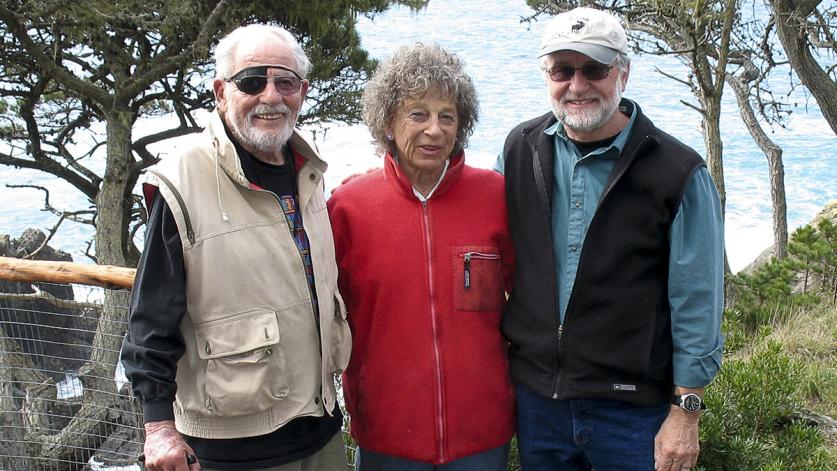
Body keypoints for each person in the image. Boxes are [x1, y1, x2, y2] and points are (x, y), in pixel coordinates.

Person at [495, 7, 724, 471]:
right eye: (563, 69)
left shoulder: (678, 171)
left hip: (633, 412)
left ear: (623, 71)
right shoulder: (519, 148)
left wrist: (687, 413)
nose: (577, 85)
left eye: (594, 69)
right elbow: (488, 244)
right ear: (547, 74)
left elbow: (697, 301)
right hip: (540, 405)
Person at [121, 24, 351, 471]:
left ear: (302, 91)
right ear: (220, 92)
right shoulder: (182, 182)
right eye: (252, 81)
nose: (271, 96)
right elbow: (150, 319)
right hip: (232, 450)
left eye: (285, 82)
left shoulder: (309, 173)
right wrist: (158, 428)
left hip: (319, 430)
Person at [327, 43, 515, 470]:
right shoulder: (348, 207)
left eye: (447, 116)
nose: (434, 130)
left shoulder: (496, 197)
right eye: (418, 114)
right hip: (387, 436)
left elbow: (529, 299)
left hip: (482, 436)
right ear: (389, 122)